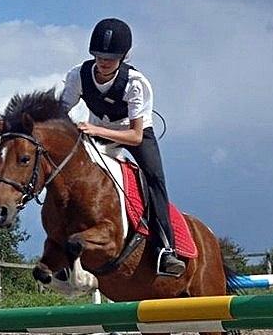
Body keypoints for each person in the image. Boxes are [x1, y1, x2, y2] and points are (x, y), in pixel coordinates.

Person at [59, 18, 186, 277]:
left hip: (132, 132)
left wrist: (95, 131)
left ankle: (165, 250)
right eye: (99, 56)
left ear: (124, 56)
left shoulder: (136, 83)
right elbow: (59, 112)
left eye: (111, 58)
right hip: (97, 129)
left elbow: (136, 135)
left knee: (154, 180)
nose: (103, 62)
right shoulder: (78, 76)